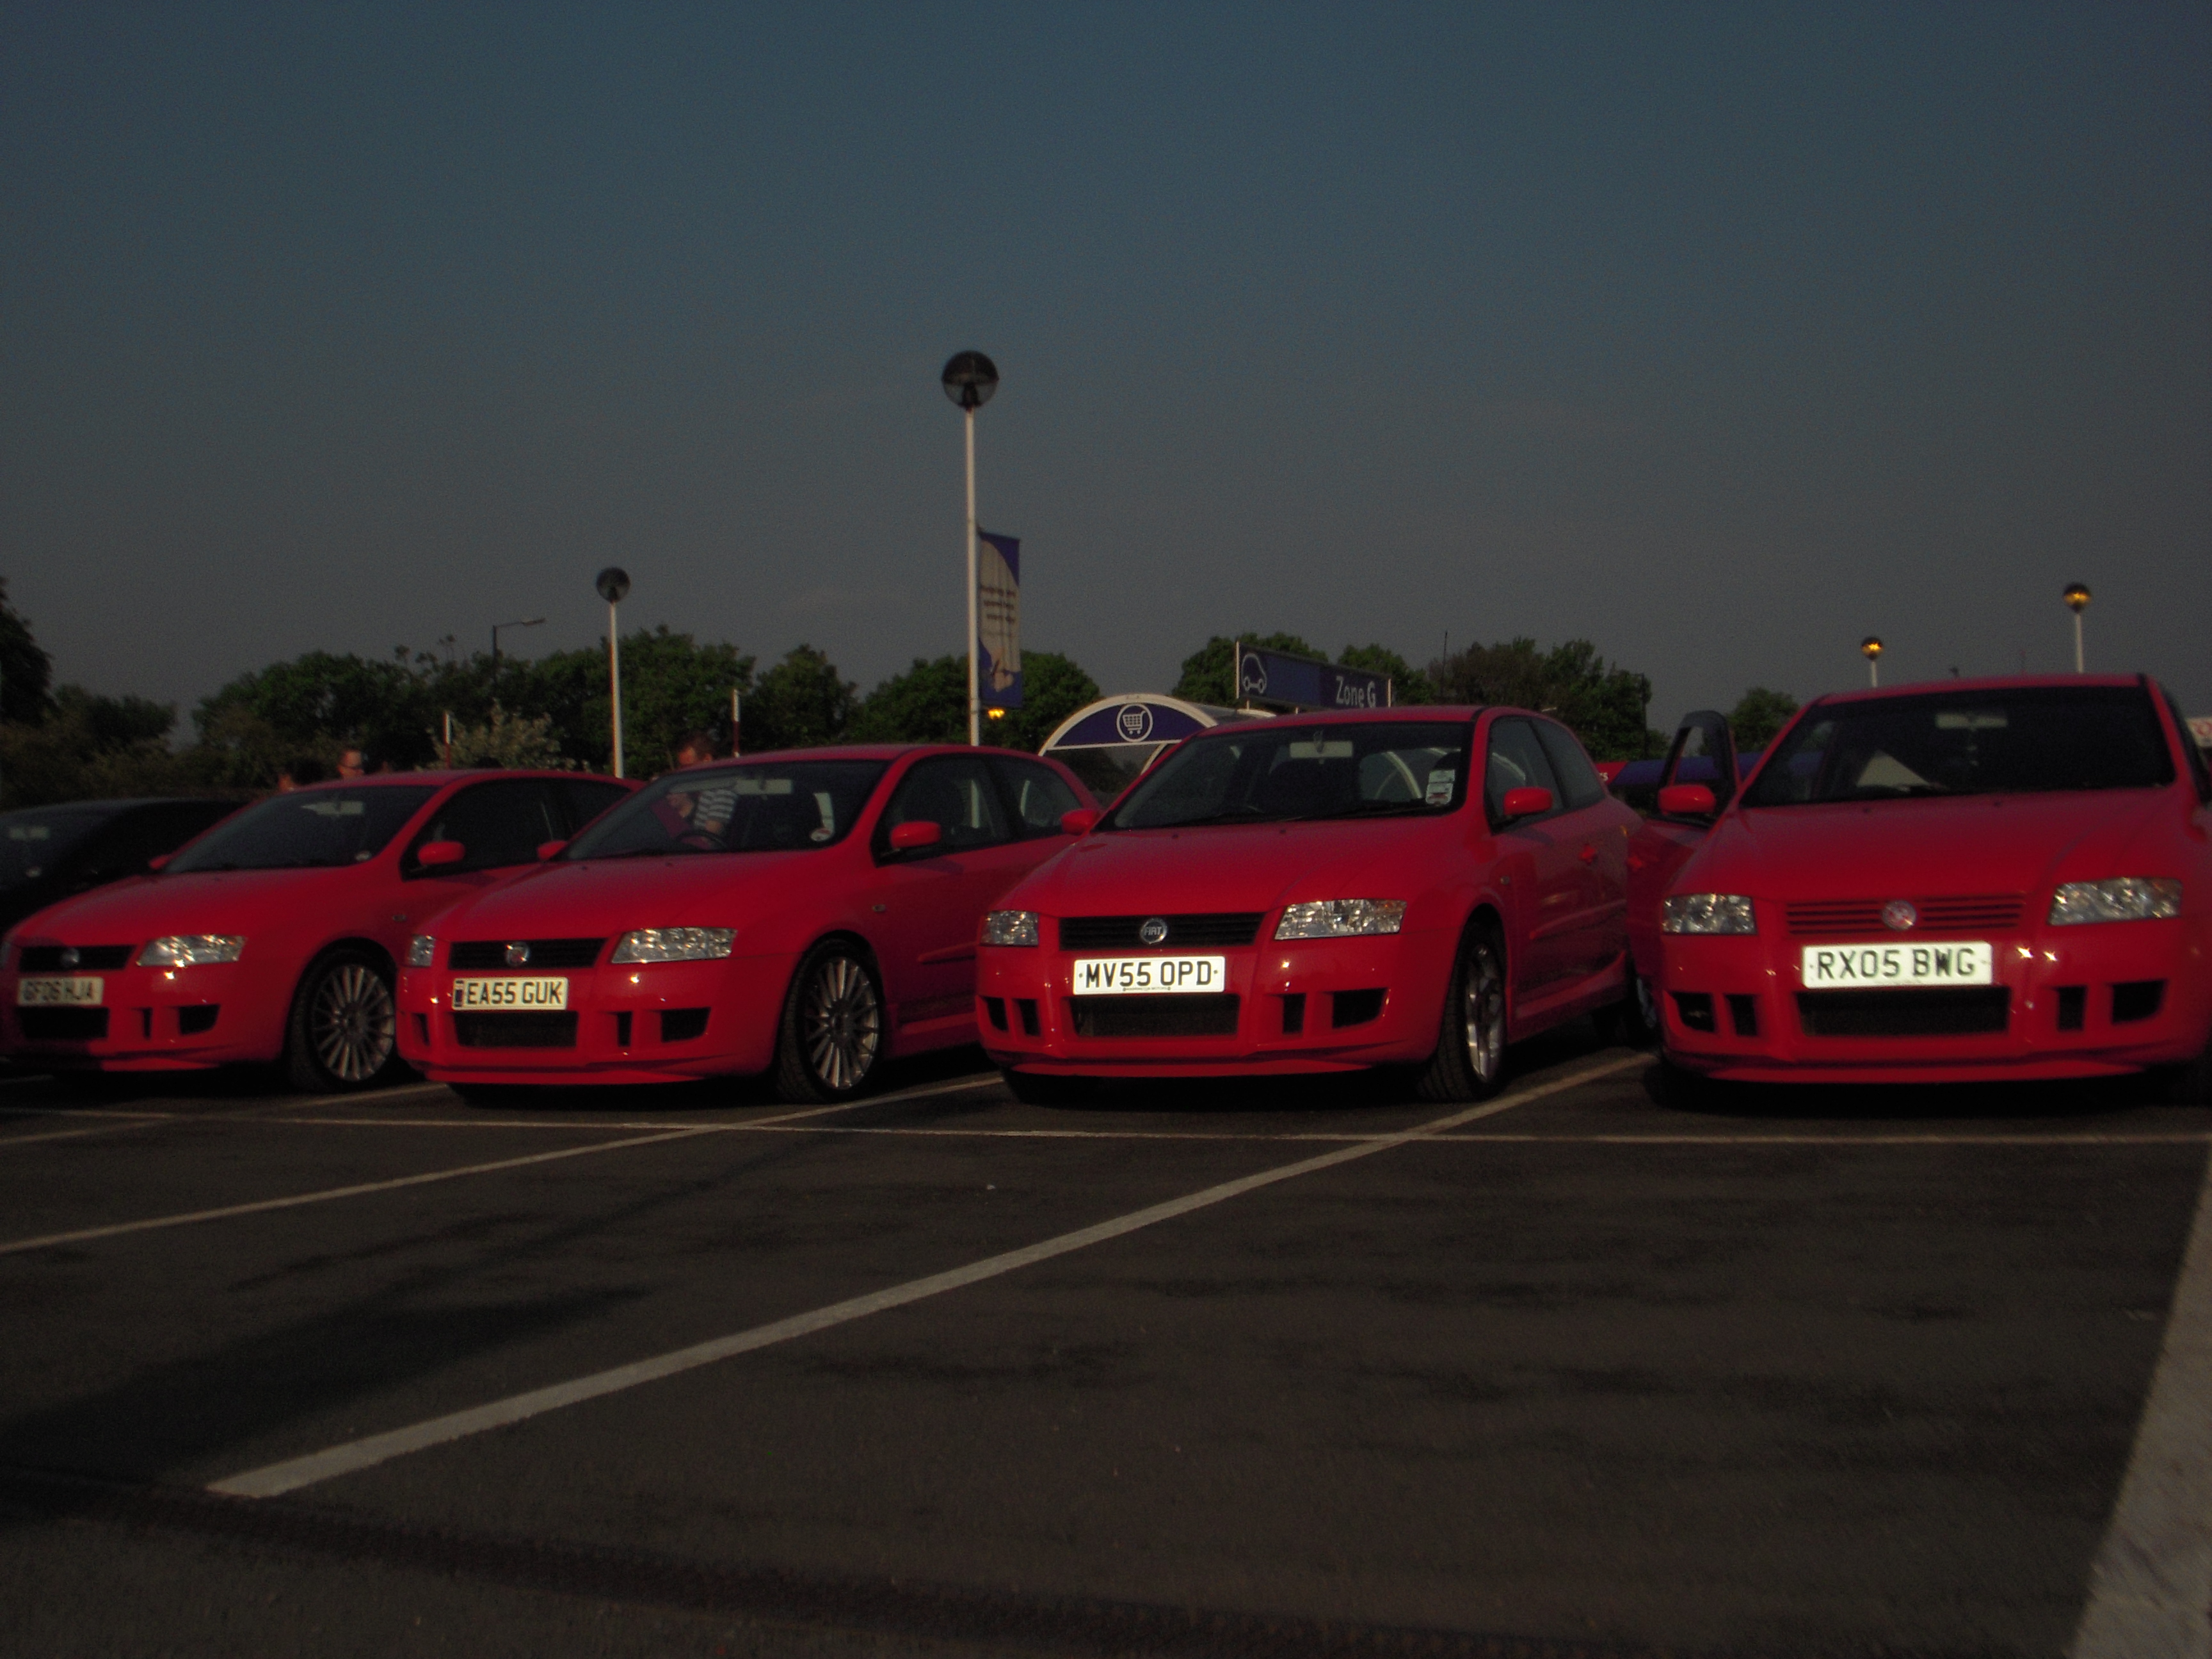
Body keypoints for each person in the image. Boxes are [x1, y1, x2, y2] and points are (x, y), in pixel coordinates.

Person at [672, 730, 737, 838]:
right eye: (682, 768)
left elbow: (709, 839)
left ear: (707, 759)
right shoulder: (699, 790)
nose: (684, 772)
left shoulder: (723, 789)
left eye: (689, 767)